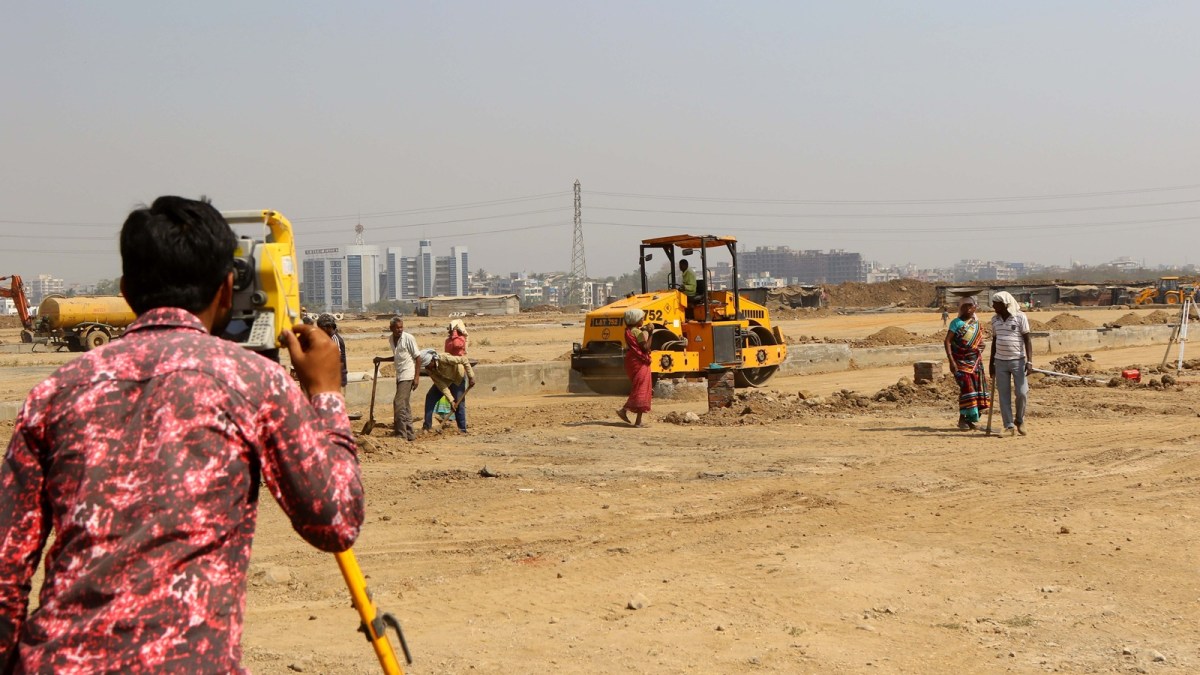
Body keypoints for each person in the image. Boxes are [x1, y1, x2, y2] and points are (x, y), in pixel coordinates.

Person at [0, 196, 363, 672]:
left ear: (126, 291)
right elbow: (334, 520)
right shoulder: (252, 383)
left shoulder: (53, 394)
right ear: (227, 288)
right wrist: (327, 394)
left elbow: (6, 566)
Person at [989, 290, 1034, 437]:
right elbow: (994, 341)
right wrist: (991, 363)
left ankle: (1019, 420)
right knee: (1004, 395)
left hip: (1018, 361)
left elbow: (1027, 340)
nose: (993, 306)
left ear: (1005, 304)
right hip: (1000, 361)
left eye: (996, 304)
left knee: (1022, 392)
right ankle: (1008, 426)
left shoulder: (1020, 317)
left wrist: (1029, 361)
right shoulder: (994, 320)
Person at [943, 297, 989, 430]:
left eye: (970, 306)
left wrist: (981, 346)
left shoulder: (977, 324)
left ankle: (970, 419)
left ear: (975, 307)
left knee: (977, 389)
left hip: (975, 362)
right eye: (964, 306)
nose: (968, 309)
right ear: (960, 308)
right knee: (966, 388)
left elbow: (980, 342)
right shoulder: (956, 323)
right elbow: (947, 341)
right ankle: (962, 419)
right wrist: (951, 361)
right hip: (960, 362)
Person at [374, 316, 421, 440]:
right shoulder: (391, 339)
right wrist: (381, 359)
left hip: (408, 374)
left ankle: (401, 434)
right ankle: (410, 434)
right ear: (391, 328)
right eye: (397, 328)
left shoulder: (408, 338)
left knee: (398, 402)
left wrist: (416, 377)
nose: (400, 330)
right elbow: (397, 357)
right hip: (399, 374)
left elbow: (418, 357)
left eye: (401, 327)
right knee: (405, 405)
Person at [419, 348, 476, 434]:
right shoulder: (429, 370)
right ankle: (427, 426)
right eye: (425, 366)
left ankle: (462, 430)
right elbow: (441, 385)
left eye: (427, 365)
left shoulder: (444, 358)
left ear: (432, 361)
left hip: (457, 378)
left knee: (459, 403)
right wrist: (451, 400)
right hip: (444, 381)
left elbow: (464, 360)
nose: (426, 367)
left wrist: (471, 376)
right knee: (430, 397)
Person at [616, 308, 652, 427]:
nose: (643, 320)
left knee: (639, 388)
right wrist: (651, 333)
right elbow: (645, 348)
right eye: (642, 318)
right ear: (636, 320)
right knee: (641, 389)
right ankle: (625, 411)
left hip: (631, 361)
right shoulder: (638, 332)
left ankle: (637, 420)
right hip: (640, 362)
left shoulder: (628, 331)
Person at [317, 313, 348, 390]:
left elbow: (338, 360)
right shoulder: (326, 338)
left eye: (321, 328)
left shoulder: (335, 339)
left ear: (328, 327)